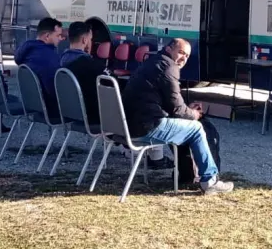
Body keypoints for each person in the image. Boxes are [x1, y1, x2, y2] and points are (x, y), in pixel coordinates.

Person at [122, 38, 232, 194]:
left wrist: (186, 109)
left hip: (127, 127)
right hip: (146, 128)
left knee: (185, 124)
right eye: (180, 52)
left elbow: (170, 104)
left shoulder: (152, 62)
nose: (183, 58)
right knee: (196, 128)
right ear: (168, 49)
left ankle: (189, 175)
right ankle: (210, 180)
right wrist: (193, 113)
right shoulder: (169, 67)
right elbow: (177, 110)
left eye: (187, 56)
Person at [15, 17, 63, 115]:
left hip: (31, 103)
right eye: (58, 35)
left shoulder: (27, 52)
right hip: (49, 108)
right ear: (47, 36)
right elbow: (54, 90)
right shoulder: (49, 57)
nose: (60, 39)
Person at [59, 21, 104, 123]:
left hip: (70, 112)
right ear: (84, 40)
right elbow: (112, 80)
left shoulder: (61, 60)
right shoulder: (90, 64)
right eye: (90, 39)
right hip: (92, 115)